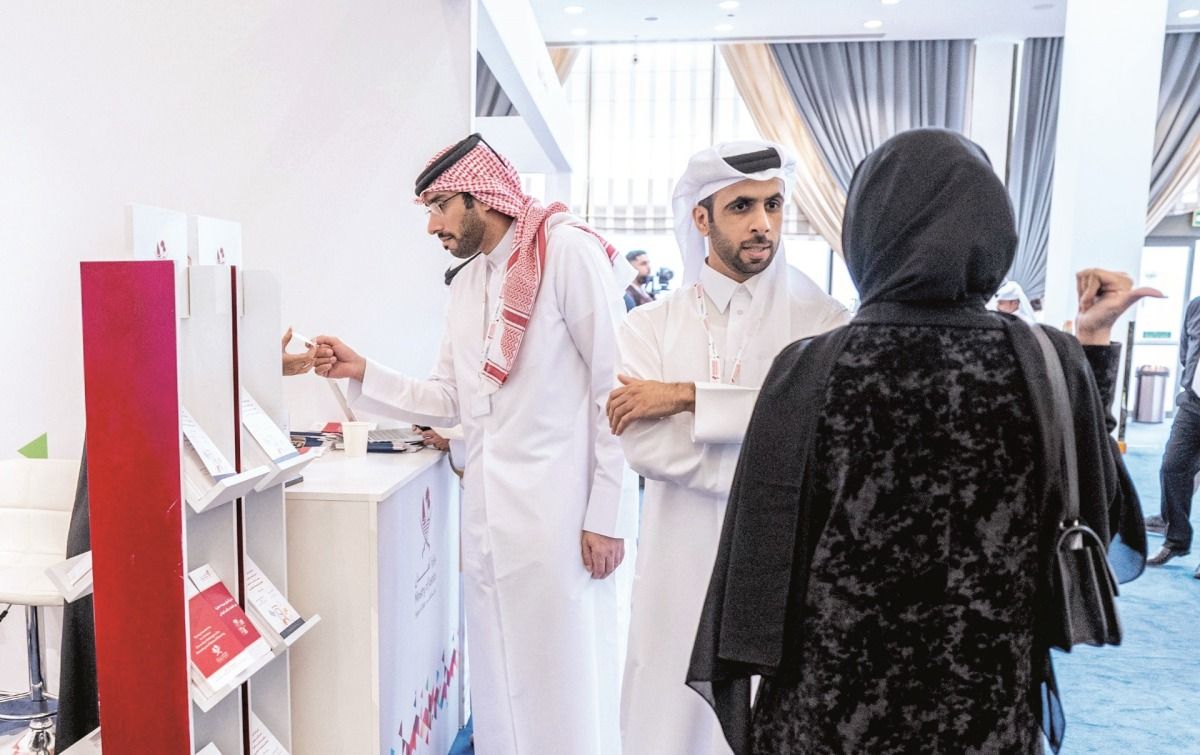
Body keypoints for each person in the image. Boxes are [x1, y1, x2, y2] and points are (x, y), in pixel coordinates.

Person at [688, 129, 1150, 755]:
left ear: (869, 230)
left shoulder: (810, 368)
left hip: (833, 710)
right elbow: (1101, 513)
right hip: (983, 703)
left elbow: (760, 561)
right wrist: (1090, 346)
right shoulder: (1047, 361)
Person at [312, 133, 635, 755]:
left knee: (563, 679)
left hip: (560, 518)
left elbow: (614, 390)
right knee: (500, 685)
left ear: (480, 197)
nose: (432, 225)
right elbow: (449, 397)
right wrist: (362, 371)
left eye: (439, 206)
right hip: (487, 520)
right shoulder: (467, 284)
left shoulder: (567, 252)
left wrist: (608, 515)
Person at [607, 140, 849, 755]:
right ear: (701, 218)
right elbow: (644, 448)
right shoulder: (648, 326)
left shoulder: (824, 323)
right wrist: (773, 450)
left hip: (780, 566)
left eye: (773, 204)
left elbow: (823, 438)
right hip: (678, 564)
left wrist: (687, 397)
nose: (762, 223)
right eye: (742, 206)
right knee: (667, 718)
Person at [1146, 294, 1200, 573]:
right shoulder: (1196, 306)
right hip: (1194, 403)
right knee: (1173, 466)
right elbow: (1185, 351)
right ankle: (1176, 540)